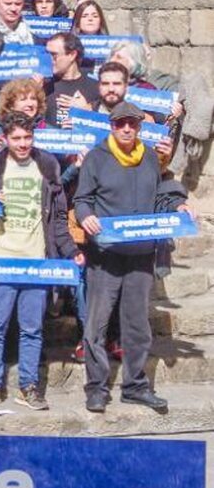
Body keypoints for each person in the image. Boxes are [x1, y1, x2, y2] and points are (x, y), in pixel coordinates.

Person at [75, 101, 191, 414]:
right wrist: (86, 217)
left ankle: (135, 386)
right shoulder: (97, 158)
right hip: (106, 256)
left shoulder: (151, 157)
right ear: (111, 126)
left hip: (141, 256)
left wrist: (177, 208)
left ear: (140, 127)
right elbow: (82, 199)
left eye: (133, 124)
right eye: (121, 123)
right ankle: (96, 388)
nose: (127, 129)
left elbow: (162, 195)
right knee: (97, 325)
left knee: (138, 325)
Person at [0, 112, 78, 412]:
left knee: (32, 329)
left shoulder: (47, 166)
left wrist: (70, 251)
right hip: (0, 260)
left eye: (28, 137)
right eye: (16, 138)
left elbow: (57, 218)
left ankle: (29, 387)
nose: (23, 143)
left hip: (36, 263)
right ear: (5, 138)